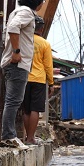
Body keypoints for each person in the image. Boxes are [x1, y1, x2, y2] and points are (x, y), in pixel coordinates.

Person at [0, 0, 46, 146]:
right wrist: (17, 51)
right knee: (13, 101)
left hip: (14, 64)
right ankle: (8, 136)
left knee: (14, 100)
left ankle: (9, 135)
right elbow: (13, 28)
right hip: (17, 64)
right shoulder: (27, 13)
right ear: (39, 2)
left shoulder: (17, 11)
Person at [22, 15, 53, 145]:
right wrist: (51, 82)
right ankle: (31, 138)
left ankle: (26, 138)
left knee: (26, 109)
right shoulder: (45, 44)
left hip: (24, 77)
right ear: (41, 29)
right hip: (39, 79)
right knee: (35, 109)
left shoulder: (23, 40)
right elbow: (48, 65)